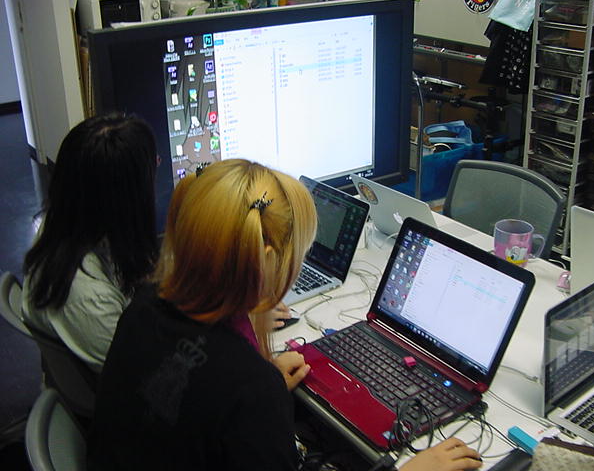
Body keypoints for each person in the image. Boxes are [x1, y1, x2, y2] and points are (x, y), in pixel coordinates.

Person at [87, 159, 482, 470]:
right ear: (268, 266)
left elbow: (190, 394)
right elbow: (225, 393)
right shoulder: (250, 388)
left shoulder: (143, 305)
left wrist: (262, 385)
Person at [22, 113, 159, 373]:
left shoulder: (65, 221)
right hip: (129, 387)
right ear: (124, 199)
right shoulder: (89, 299)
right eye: (152, 168)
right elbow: (145, 374)